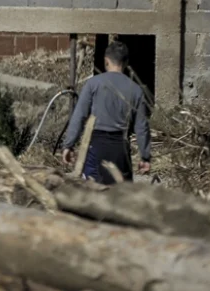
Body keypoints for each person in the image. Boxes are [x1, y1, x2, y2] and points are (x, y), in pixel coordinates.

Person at [61, 41, 151, 184]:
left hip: (96, 148)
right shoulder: (136, 90)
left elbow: (79, 115)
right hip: (121, 149)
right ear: (126, 62)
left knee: (94, 194)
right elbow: (142, 127)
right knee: (121, 196)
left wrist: (69, 145)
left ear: (106, 61)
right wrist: (145, 157)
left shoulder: (93, 84)